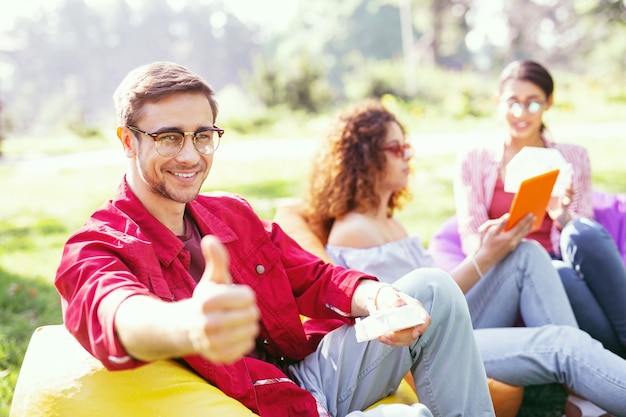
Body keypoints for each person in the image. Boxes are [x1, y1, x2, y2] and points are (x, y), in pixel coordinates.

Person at [54, 61, 495, 417]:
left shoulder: (230, 213)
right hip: (253, 406)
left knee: (433, 288)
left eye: (203, 136)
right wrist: (189, 325)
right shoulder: (96, 246)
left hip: (304, 380)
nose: (190, 156)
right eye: (168, 137)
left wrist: (377, 299)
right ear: (127, 142)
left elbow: (315, 277)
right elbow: (114, 313)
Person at [300, 99, 626, 416]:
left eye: (407, 147)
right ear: (365, 157)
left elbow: (440, 292)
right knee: (562, 344)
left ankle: (579, 391)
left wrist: (494, 249)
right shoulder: (354, 230)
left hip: (450, 320)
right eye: (397, 149)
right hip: (426, 344)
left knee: (525, 252)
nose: (407, 157)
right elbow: (416, 309)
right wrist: (484, 257)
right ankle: (583, 384)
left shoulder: (387, 221)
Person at [454, 59, 626, 357]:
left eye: (533, 104)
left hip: (562, 257)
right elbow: (470, 234)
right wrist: (497, 240)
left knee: (583, 233)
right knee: (558, 275)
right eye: (513, 103)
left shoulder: (572, 155)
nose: (521, 114)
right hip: (506, 262)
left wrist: (562, 214)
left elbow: (580, 231)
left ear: (549, 103)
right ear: (498, 102)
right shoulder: (474, 159)